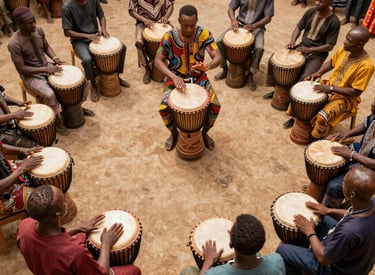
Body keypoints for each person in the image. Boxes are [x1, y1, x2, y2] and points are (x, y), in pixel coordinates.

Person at [17, 185, 142, 275]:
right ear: (58, 214)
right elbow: (101, 272)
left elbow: (47, 241)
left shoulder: (25, 226)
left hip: (45, 268)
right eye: (64, 201)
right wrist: (106, 244)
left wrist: (79, 228)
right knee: (133, 271)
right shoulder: (73, 252)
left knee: (82, 236)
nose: (66, 201)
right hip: (68, 258)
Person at [277, 167, 375, 275]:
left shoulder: (349, 231)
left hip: (335, 269)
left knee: (283, 250)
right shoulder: (371, 203)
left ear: (352, 194)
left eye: (344, 182)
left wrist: (310, 232)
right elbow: (352, 213)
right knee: (322, 219)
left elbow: (324, 258)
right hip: (358, 261)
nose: (342, 184)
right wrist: (328, 210)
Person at [263, 0, 341, 130]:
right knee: (275, 60)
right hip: (301, 47)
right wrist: (293, 41)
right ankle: (278, 89)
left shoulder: (334, 22)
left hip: (317, 55)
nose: (317, 2)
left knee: (303, 80)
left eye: (321, 1)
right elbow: (298, 27)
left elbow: (330, 45)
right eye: (316, 0)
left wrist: (310, 50)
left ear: (329, 2)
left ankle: (294, 116)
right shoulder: (311, 12)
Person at [154, 5, 221, 151]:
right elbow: (158, 60)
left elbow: (218, 56)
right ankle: (173, 133)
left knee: (215, 105)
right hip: (175, 78)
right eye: (186, 26)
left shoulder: (204, 34)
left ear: (197, 21)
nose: (189, 29)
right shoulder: (169, 37)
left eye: (192, 25)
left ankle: (204, 133)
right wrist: (172, 76)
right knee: (163, 107)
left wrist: (208, 67)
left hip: (199, 78)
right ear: (179, 21)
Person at [7, 7, 75, 135]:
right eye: (29, 23)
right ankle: (57, 121)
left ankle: (74, 108)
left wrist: (55, 58)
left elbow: (47, 47)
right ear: (20, 24)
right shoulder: (14, 44)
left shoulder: (38, 30)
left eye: (34, 21)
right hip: (30, 77)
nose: (34, 24)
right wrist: (46, 69)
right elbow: (21, 68)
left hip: (46, 66)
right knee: (49, 94)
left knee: (70, 80)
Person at [307, 26, 374, 139]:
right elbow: (331, 63)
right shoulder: (344, 49)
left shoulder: (367, 66)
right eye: (346, 37)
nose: (345, 41)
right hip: (329, 85)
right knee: (306, 94)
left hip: (346, 98)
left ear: (359, 44)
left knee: (323, 116)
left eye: (349, 40)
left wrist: (331, 89)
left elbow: (355, 92)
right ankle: (302, 124)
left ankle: (316, 137)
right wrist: (318, 73)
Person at [62, 0, 131, 102]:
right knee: (87, 59)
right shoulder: (67, 8)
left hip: (96, 36)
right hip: (79, 41)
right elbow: (67, 32)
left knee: (122, 48)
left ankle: (117, 75)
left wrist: (103, 28)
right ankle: (93, 85)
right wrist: (87, 36)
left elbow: (101, 15)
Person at [180, 214, 285, 275]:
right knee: (257, 256)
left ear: (230, 244)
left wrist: (208, 263)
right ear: (263, 243)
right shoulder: (277, 261)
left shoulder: (214, 274)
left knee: (188, 271)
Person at [321, 97, 375, 208]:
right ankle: (319, 192)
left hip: (370, 171)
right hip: (359, 150)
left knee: (334, 186)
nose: (372, 103)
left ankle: (327, 213)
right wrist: (346, 135)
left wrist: (352, 155)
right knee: (328, 160)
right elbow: (365, 125)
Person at [213, 0, 274, 91]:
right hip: (239, 25)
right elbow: (231, 8)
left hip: (257, 28)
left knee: (259, 48)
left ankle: (250, 75)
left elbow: (268, 18)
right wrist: (233, 20)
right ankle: (225, 69)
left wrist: (254, 25)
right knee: (218, 42)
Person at [128, 0, 175, 84]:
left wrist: (166, 17)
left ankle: (173, 65)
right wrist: (143, 19)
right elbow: (131, 10)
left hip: (161, 22)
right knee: (139, 42)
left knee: (175, 37)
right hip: (143, 23)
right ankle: (147, 69)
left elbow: (170, 5)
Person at [0, 141, 43, 214]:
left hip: (6, 168)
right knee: (42, 198)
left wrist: (21, 149)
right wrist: (22, 169)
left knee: (36, 163)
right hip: (2, 198)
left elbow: (1, 145)